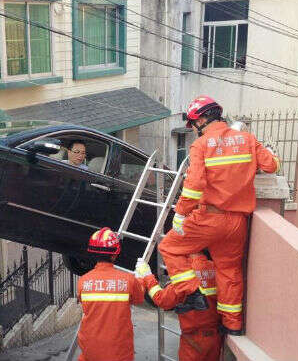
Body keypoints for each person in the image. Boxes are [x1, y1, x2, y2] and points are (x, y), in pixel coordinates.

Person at [158, 95, 279, 336]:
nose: (192, 130)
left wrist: (180, 214)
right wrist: (266, 151)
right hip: (237, 222)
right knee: (229, 271)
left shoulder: (201, 146)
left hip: (209, 218)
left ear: (202, 119)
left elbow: (194, 184)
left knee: (169, 247)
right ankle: (232, 324)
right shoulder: (247, 139)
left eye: (192, 124)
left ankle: (191, 293)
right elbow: (271, 166)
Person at [135, 253, 223, 361]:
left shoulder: (185, 273)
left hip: (193, 339)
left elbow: (162, 300)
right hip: (216, 337)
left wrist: (147, 276)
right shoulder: (216, 267)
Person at [77, 227, 144, 361]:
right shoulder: (128, 281)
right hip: (118, 351)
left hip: (90, 349)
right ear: (114, 255)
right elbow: (139, 298)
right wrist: (142, 278)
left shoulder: (83, 281)